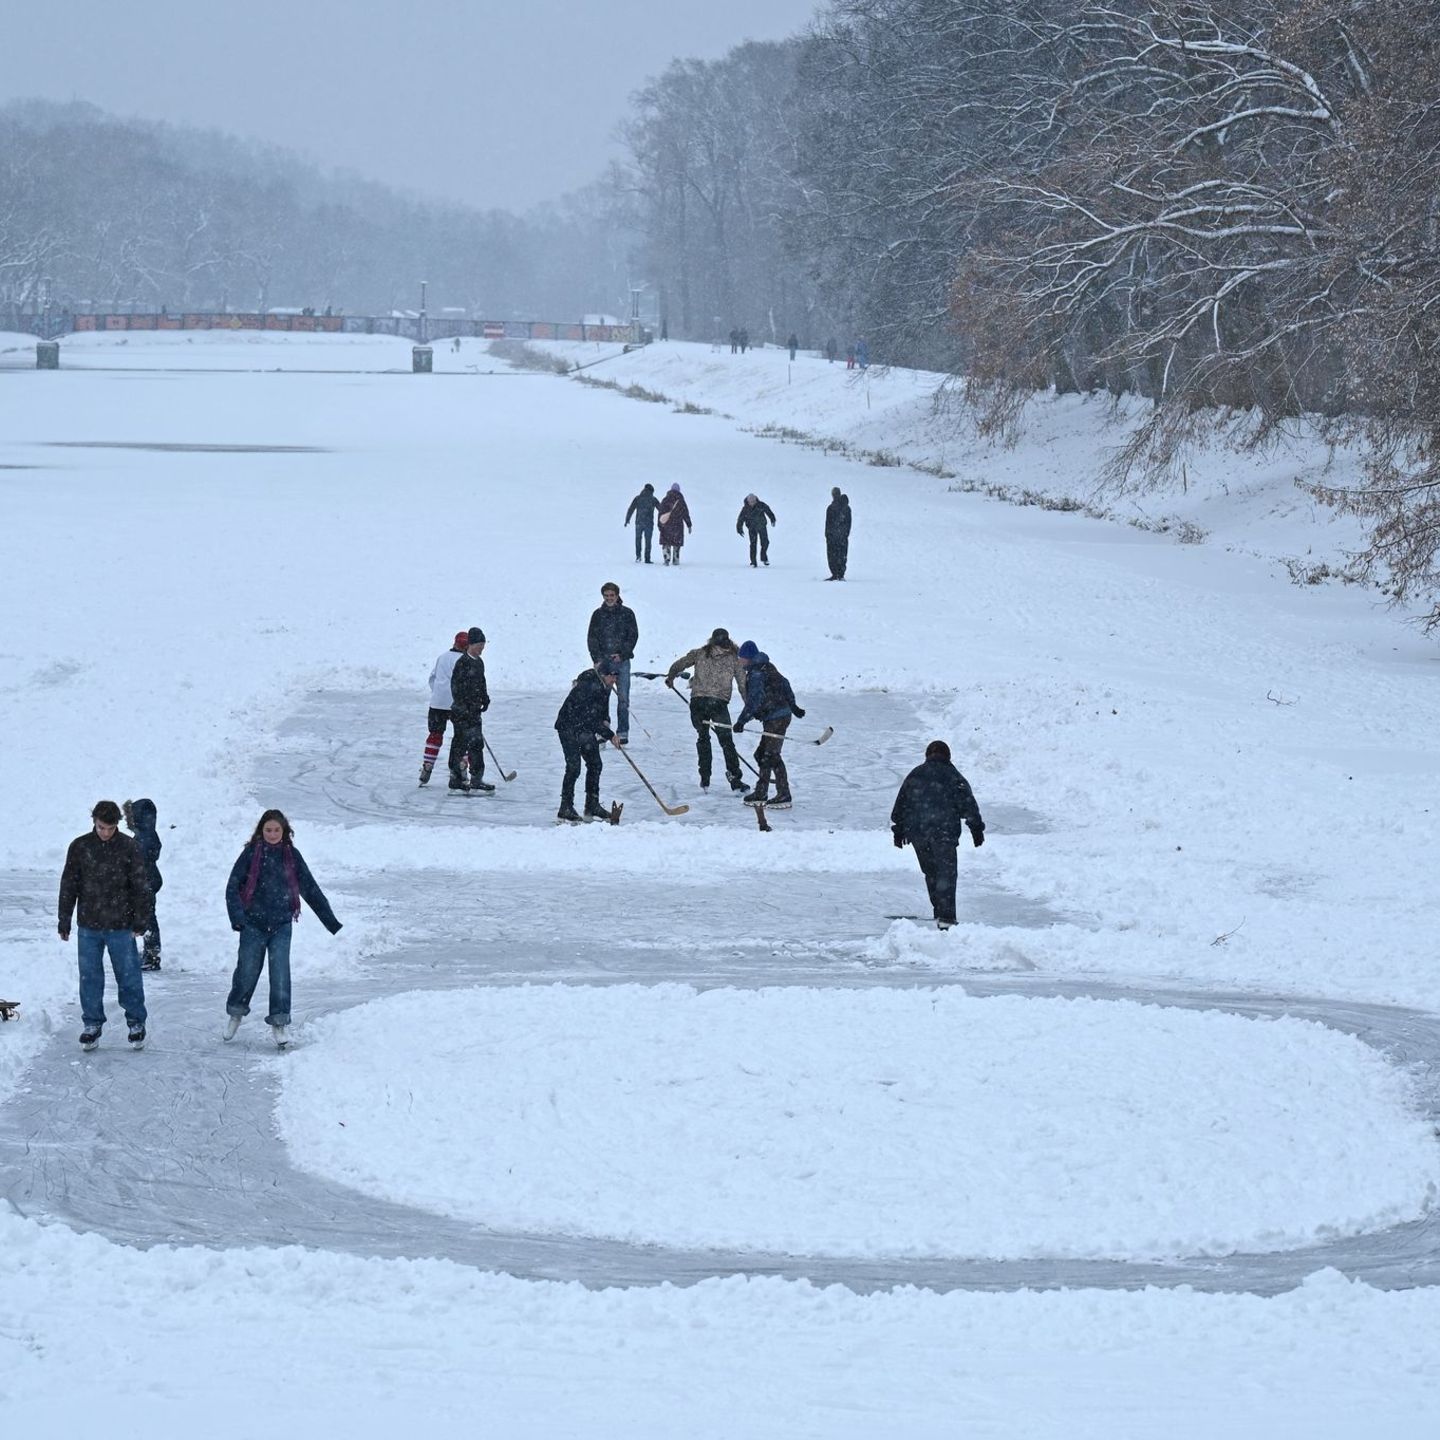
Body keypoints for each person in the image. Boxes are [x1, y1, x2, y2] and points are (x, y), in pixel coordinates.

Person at [224, 809, 342, 1046]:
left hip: (281, 924)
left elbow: (309, 888)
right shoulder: (251, 854)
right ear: (261, 831)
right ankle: (236, 1013)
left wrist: (330, 921)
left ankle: (279, 1022)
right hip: (253, 923)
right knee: (246, 972)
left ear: (284, 830)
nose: (272, 834)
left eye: (277, 830)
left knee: (280, 974)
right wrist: (238, 918)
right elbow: (233, 886)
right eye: (268, 830)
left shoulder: (292, 856)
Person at [58, 800, 154, 1050]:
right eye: (101, 827)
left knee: (129, 976)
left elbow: (141, 886)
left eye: (110, 828)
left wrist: (141, 920)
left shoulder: (129, 847)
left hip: (121, 926)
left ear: (117, 825)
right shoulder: (80, 847)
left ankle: (136, 1022)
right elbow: (69, 883)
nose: (105, 833)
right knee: (90, 977)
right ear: (94, 822)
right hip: (89, 925)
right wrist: (64, 919)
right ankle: (92, 1023)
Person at [890, 741, 986, 930]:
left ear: (927, 755)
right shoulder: (953, 776)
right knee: (946, 875)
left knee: (932, 874)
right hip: (944, 834)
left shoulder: (916, 774)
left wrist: (899, 830)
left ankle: (939, 912)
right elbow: (968, 803)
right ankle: (946, 918)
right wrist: (976, 829)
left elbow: (901, 804)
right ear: (948, 756)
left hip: (918, 834)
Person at [665, 628, 747, 792]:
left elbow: (679, 664)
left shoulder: (700, 653)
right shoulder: (734, 658)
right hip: (718, 704)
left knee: (703, 738)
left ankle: (705, 778)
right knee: (726, 742)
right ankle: (735, 777)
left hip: (698, 703)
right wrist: (750, 708)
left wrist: (671, 676)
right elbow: (743, 685)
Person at [734, 641, 805, 808]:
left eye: (741, 658)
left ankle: (779, 794)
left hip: (776, 718)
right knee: (762, 755)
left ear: (748, 658)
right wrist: (793, 706)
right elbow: (785, 683)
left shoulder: (757, 673)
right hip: (778, 716)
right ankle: (767, 791)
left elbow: (754, 701)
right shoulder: (766, 666)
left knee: (769, 756)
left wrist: (741, 721)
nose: (740, 661)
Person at [554, 658, 623, 823]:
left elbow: (600, 710)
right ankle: (565, 807)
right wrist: (609, 734)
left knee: (595, 764)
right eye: (612, 677)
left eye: (616, 677)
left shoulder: (604, 686)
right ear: (604, 675)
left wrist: (606, 721)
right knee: (574, 767)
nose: (614, 681)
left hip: (584, 728)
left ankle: (592, 804)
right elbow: (589, 717)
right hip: (568, 726)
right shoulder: (588, 685)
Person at [586, 582, 638, 742]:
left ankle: (623, 731)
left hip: (621, 662)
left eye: (612, 595)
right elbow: (592, 638)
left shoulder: (627, 613)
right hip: (603, 662)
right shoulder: (597, 615)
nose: (609, 598)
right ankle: (603, 729)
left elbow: (633, 636)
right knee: (601, 697)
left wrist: (622, 654)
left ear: (617, 596)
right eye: (606, 596)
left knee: (623, 698)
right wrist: (597, 659)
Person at [420, 630, 470, 785]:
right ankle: (461, 765)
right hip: (458, 704)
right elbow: (467, 684)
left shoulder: (442, 658)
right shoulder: (466, 659)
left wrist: (439, 694)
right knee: (463, 736)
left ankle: (427, 765)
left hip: (437, 703)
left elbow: (432, 679)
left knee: (435, 734)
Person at [448, 627, 494, 793]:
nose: (482, 648)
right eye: (480, 644)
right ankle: (456, 777)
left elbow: (481, 683)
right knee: (460, 744)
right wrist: (463, 706)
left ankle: (476, 778)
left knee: (476, 744)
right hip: (461, 713)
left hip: (474, 711)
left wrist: (485, 698)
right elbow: (456, 688)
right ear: (471, 645)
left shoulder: (479, 662)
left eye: (483, 644)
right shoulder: (462, 663)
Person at [123, 798, 164, 970]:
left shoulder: (144, 838)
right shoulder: (144, 835)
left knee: (147, 918)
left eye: (129, 817)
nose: (127, 821)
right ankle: (150, 952)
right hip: (147, 881)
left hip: (145, 883)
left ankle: (152, 955)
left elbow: (141, 861)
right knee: (146, 917)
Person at [736, 493, 777, 567]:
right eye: (750, 502)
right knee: (753, 544)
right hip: (752, 528)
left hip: (762, 527)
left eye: (753, 501)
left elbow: (769, 511)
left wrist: (773, 519)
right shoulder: (745, 508)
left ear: (756, 500)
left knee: (765, 542)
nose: (752, 503)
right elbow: (740, 519)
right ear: (748, 502)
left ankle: (764, 558)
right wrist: (739, 529)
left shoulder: (761, 505)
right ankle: (753, 562)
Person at [624, 481, 661, 563]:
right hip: (649, 524)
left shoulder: (638, 498)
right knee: (648, 541)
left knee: (638, 539)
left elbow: (631, 509)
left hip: (639, 523)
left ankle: (638, 556)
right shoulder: (653, 499)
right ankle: (647, 558)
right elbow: (661, 510)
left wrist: (627, 519)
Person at [657, 483, 692, 566]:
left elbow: (660, 513)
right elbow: (685, 514)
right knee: (677, 543)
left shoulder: (665, 499)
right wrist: (689, 525)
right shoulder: (681, 501)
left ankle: (666, 558)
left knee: (666, 542)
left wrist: (659, 525)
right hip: (678, 526)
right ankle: (676, 559)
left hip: (666, 526)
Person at [824, 486, 852, 581]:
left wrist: (828, 535)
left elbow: (828, 524)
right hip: (840, 537)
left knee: (834, 556)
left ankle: (837, 574)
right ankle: (838, 574)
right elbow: (848, 524)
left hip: (836, 537)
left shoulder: (832, 508)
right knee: (840, 555)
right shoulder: (845, 508)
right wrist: (844, 534)